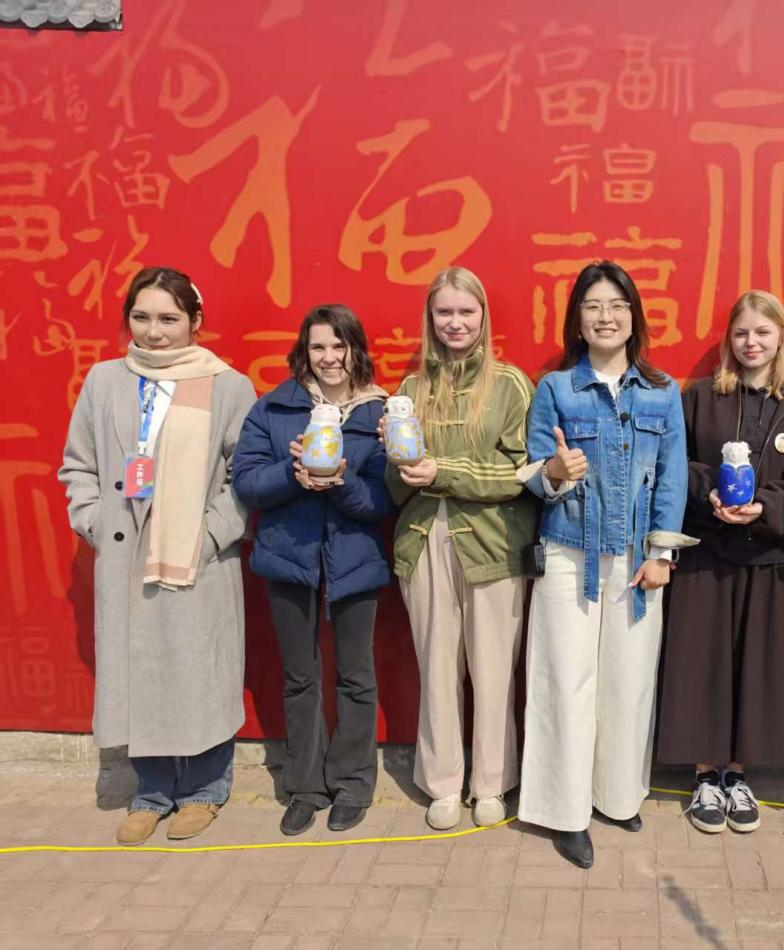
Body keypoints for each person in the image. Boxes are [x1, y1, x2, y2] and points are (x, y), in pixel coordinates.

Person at [58, 266, 257, 845]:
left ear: (195, 321)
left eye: (169, 318)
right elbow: (79, 464)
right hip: (126, 553)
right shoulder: (105, 381)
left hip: (195, 555)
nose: (154, 331)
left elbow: (245, 477)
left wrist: (211, 535)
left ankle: (205, 789)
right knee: (140, 669)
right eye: (141, 317)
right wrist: (95, 520)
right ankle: (151, 792)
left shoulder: (226, 385)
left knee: (199, 669)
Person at [518, 260, 688, 869]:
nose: (605, 316)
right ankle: (565, 812)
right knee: (565, 681)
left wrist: (663, 554)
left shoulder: (663, 392)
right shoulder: (556, 389)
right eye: (592, 305)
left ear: (634, 316)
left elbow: (672, 476)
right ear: (577, 320)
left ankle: (616, 796)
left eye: (616, 305)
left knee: (628, 681)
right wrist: (554, 472)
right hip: (570, 553)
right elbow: (534, 475)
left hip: (638, 560)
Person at [657, 290, 784, 835]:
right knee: (702, 663)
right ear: (729, 340)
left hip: (764, 556)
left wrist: (765, 508)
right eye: (741, 333)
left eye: (763, 332)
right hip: (705, 550)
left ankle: (737, 773)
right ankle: (705, 773)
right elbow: (675, 462)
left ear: (782, 337)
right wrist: (709, 493)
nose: (752, 343)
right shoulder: (701, 398)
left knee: (752, 666)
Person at [386, 266, 537, 830]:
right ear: (430, 318)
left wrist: (442, 470)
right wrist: (398, 460)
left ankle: (492, 783)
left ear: (483, 316)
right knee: (437, 667)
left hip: (493, 543)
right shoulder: (410, 390)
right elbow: (395, 490)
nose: (455, 323)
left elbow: (521, 474)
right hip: (423, 539)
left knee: (495, 670)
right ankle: (444, 782)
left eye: (465, 311)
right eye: (444, 312)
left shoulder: (511, 385)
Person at [232, 304, 392, 836]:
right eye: (318, 346)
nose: (329, 357)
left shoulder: (378, 414)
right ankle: (304, 787)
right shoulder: (274, 408)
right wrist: (293, 471)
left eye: (339, 345)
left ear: (355, 349)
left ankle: (352, 784)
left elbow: (382, 502)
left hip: (355, 561)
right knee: (300, 677)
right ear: (304, 351)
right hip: (289, 559)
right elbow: (247, 482)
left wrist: (341, 482)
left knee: (356, 676)